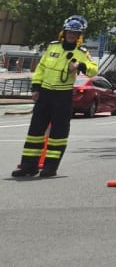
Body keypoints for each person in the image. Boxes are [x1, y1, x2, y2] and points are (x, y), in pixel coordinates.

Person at [11, 15, 99, 178]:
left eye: (75, 33)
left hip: (63, 95)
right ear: (64, 33)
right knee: (35, 131)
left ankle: (50, 168)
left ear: (79, 36)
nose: (71, 35)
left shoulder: (81, 53)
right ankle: (28, 166)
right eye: (69, 32)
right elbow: (41, 69)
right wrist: (36, 88)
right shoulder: (53, 48)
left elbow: (94, 70)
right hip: (45, 94)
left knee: (58, 133)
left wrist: (80, 65)